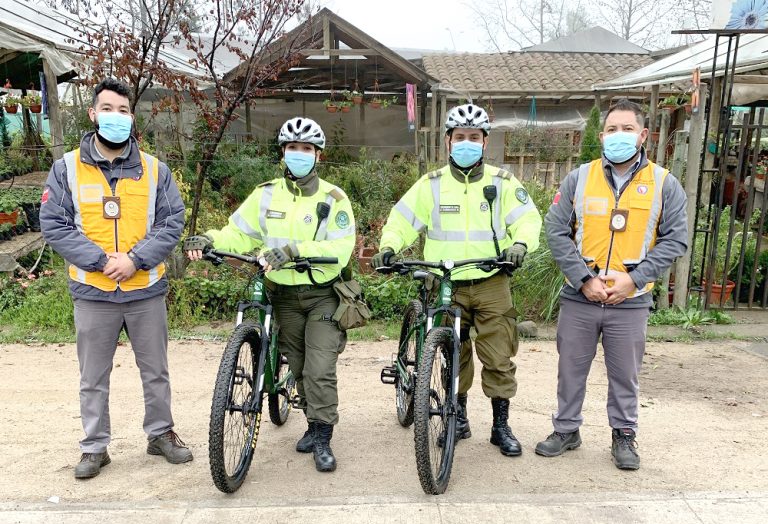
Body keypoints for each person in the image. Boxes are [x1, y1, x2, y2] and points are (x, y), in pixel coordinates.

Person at [184, 117, 354, 473]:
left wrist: (293, 250)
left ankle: (323, 437)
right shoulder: (265, 195)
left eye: (306, 149)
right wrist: (211, 239)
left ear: (318, 156)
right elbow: (239, 232)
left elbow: (342, 247)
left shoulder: (333, 199)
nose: (299, 154)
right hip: (283, 296)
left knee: (319, 367)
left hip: (323, 293)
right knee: (299, 362)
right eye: (293, 148)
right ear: (283, 153)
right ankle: (312, 420)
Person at [40, 78, 191, 479]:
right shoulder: (66, 169)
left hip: (145, 289)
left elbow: (172, 221)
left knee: (155, 369)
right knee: (93, 375)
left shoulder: (155, 170)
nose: (116, 117)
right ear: (93, 114)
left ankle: (160, 434)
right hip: (93, 291)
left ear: (132, 117)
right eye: (108, 109)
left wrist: (136, 259)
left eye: (123, 111)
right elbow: (54, 223)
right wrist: (99, 260)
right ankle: (94, 447)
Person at [372, 104, 542, 456]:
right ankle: (458, 417)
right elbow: (402, 220)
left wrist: (520, 244)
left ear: (484, 142)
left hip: (491, 280)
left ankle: (500, 426)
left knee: (498, 357)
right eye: (460, 137)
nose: (467, 143)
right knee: (453, 353)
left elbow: (527, 219)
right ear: (448, 142)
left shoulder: (503, 183)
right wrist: (389, 246)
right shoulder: (430, 185)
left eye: (474, 137)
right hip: (444, 282)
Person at [536, 99, 688, 470]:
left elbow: (676, 239)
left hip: (630, 302)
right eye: (612, 129)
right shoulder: (579, 177)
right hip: (580, 297)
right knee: (570, 369)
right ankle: (567, 429)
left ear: (643, 136)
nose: (619, 136)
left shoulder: (664, 183)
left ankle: (624, 435)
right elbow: (556, 231)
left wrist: (633, 279)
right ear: (602, 135)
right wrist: (583, 279)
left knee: (625, 374)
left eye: (627, 129)